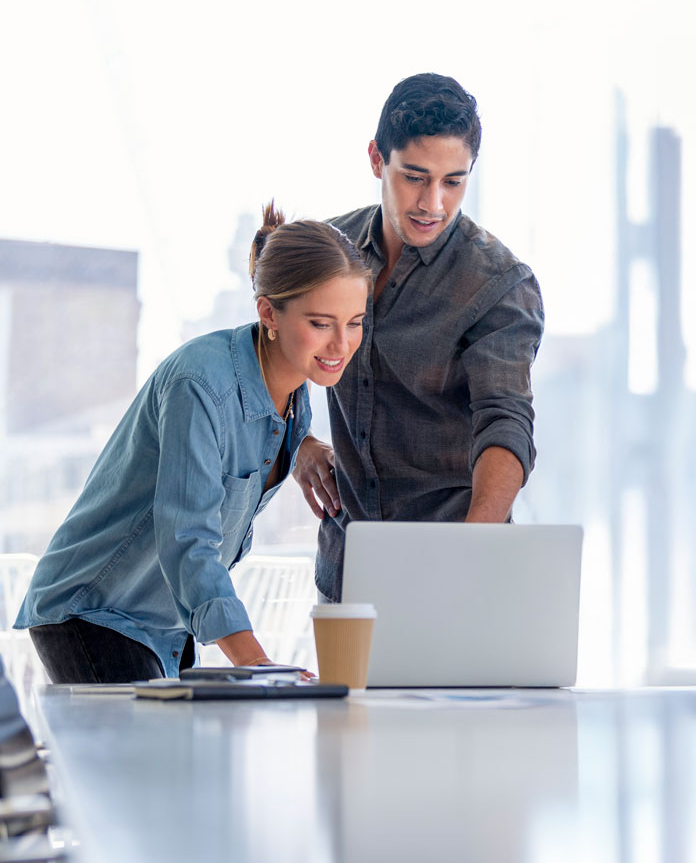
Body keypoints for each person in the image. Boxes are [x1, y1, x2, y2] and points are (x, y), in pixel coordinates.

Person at [15, 203, 371, 682]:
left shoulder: (294, 391)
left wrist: (302, 443)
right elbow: (189, 538)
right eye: (321, 323)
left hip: (165, 625)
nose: (342, 345)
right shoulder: (198, 383)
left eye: (354, 322)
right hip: (94, 610)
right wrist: (256, 663)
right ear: (268, 311)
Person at [292, 73, 545, 603]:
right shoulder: (325, 253)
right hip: (346, 573)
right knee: (343, 692)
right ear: (376, 159)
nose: (434, 202)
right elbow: (271, 355)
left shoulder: (497, 284)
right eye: (415, 176)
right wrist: (301, 441)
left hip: (456, 571)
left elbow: (505, 421)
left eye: (454, 181)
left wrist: (468, 554)